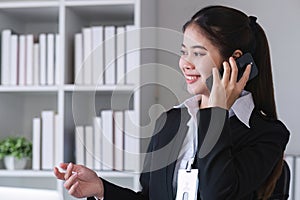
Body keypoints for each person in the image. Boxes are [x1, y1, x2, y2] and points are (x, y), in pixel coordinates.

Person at [54, 5, 290, 200]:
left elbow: (217, 195)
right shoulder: (170, 121)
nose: (185, 63)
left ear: (235, 62)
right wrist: (102, 189)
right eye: (184, 52)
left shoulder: (267, 134)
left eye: (198, 53)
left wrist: (216, 113)